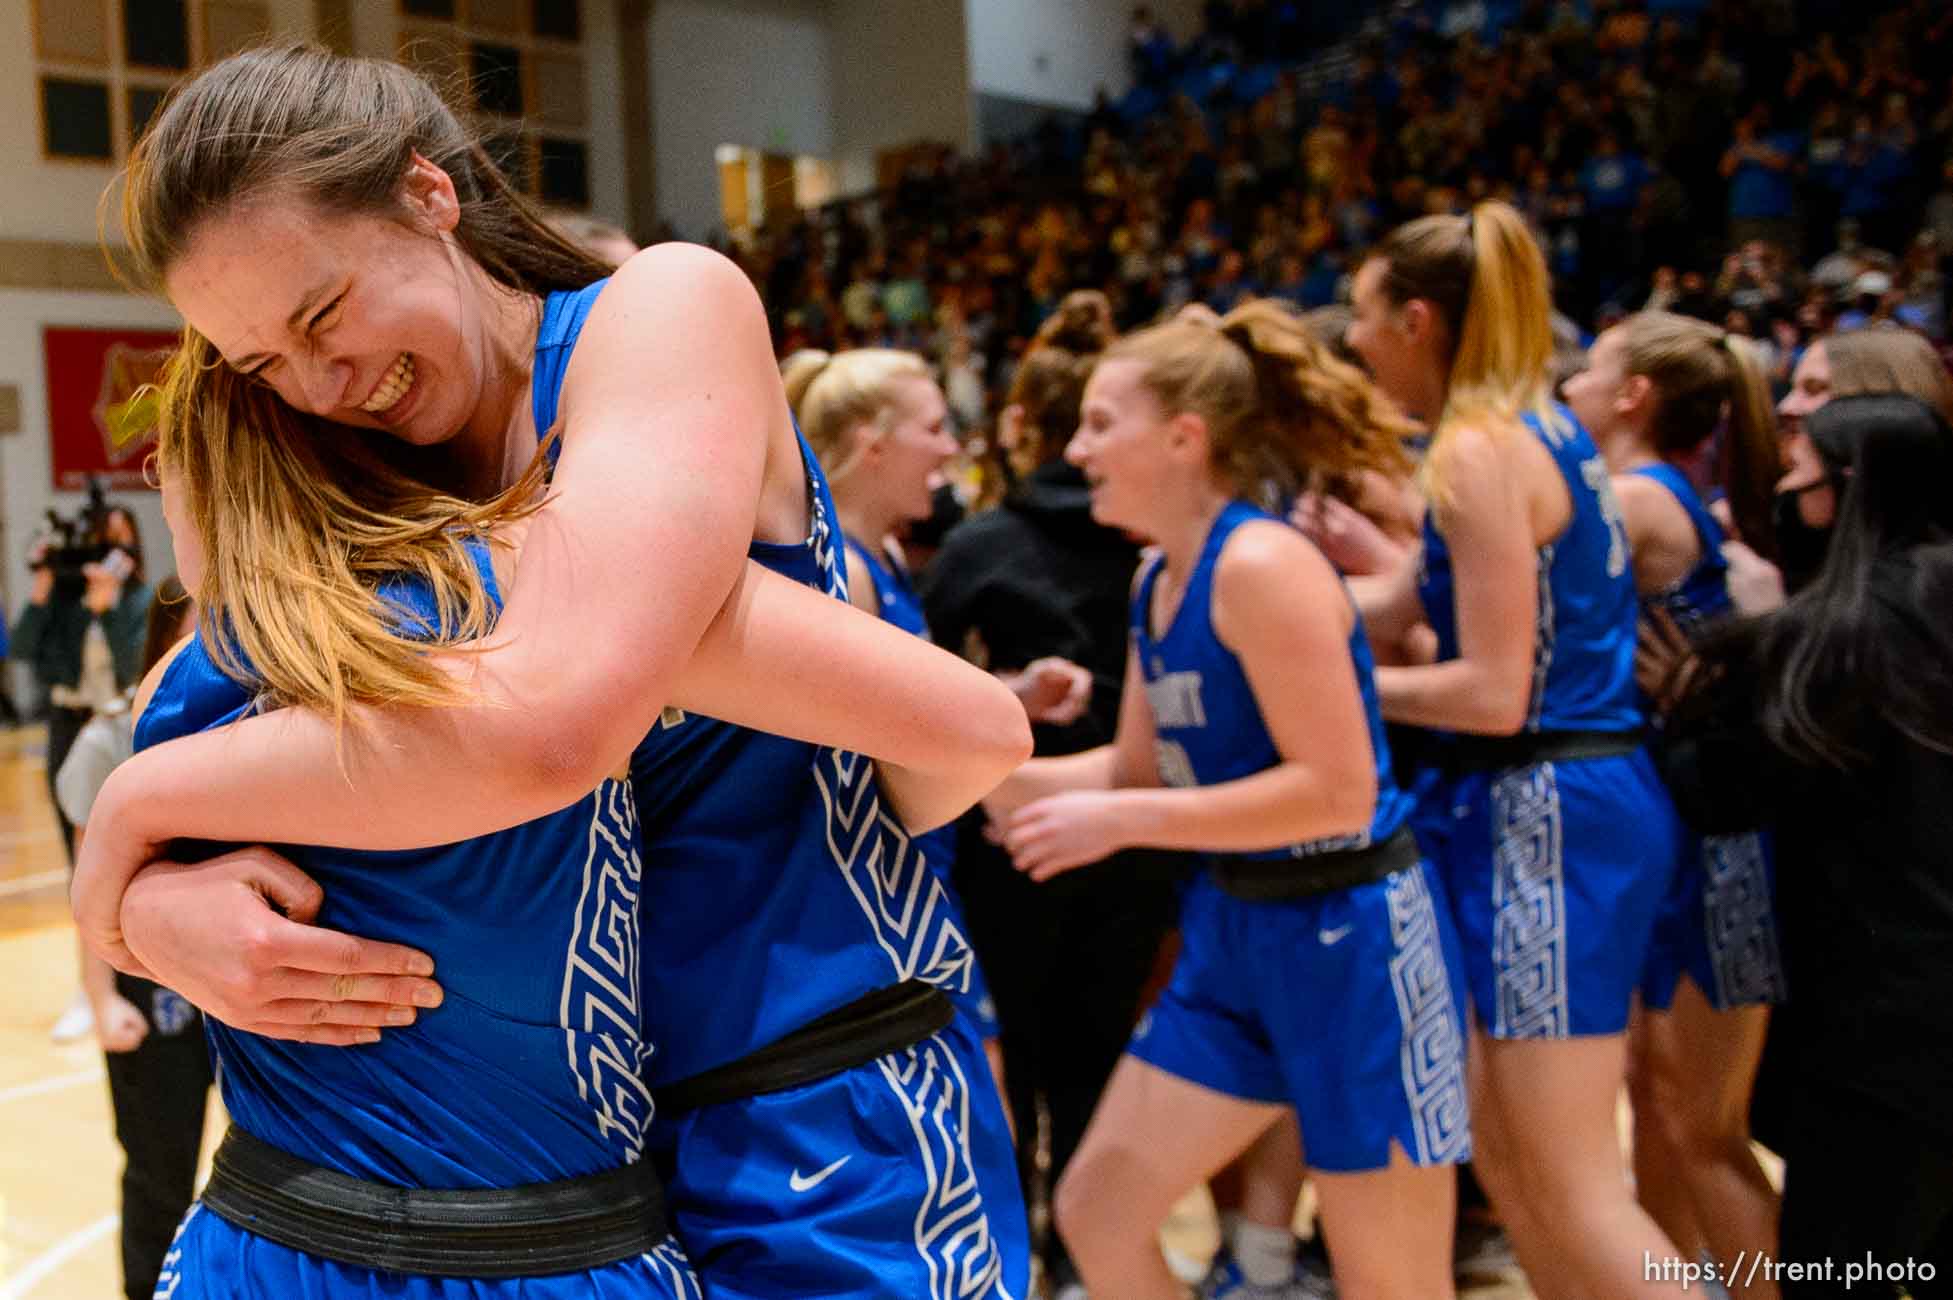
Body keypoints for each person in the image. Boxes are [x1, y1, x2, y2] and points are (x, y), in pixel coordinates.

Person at [72, 43, 1033, 1299]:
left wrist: (134, 822)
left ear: (429, 193)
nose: (320, 386)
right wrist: (148, 916)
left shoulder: (657, 312)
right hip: (556, 1179)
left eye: (323, 316)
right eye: (262, 367)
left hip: (812, 1114)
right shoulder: (347, 467)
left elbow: (556, 728)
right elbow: (220, 697)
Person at [987, 300, 1472, 1300]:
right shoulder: (1154, 576)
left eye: (1099, 422)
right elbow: (1136, 771)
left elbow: (1336, 794)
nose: (1075, 447)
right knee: (1097, 1210)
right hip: (1236, 930)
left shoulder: (1261, 565)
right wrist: (950, 776)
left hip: (1355, 936)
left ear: (1183, 434)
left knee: (1393, 1283)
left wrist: (1121, 823)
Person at [1343, 201, 1689, 1297]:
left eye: (1360, 318)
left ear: (1414, 320)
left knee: (1573, 1179)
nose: (1350, 344)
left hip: (1549, 809)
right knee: (1512, 1164)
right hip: (1537, 805)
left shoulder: (1479, 450)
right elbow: (1397, 597)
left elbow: (1492, 693)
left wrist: (1332, 694)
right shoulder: (1519, 427)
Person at [919, 296, 1186, 1298]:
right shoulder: (1156, 541)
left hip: (1018, 829)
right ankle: (1089, 1251)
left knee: (1018, 1053)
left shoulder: (985, 541)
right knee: (1103, 1046)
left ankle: (1036, 1243)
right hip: (1139, 828)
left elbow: (925, 684)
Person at [1659, 394, 1953, 1294]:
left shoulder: (1829, 634)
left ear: (1848, 483)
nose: (1785, 483)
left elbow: (1720, 794)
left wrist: (1709, 671)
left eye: (1798, 466)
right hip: (1921, 986)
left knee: (1839, 1261)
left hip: (1876, 1004)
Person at [1561, 311, 1787, 1295]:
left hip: (1721, 844)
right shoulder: (1652, 492)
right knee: (1658, 1102)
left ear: (1633, 395)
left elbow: (1504, 551)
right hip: (1674, 822)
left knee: (1703, 1129)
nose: (1568, 385)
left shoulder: (1640, 496)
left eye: (1590, 371)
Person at [54, 574, 214, 1300]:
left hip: (239, 988)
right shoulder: (109, 738)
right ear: (160, 642)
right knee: (159, 1172)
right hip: (151, 996)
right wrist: (100, 999)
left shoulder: (260, 721)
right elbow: (89, 892)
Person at [12, 501, 153, 1042]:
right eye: (103, 541)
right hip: (72, 729)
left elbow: (133, 668)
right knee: (78, 860)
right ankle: (90, 987)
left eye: (122, 541)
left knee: (120, 861)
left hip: (121, 732)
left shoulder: (143, 600)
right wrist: (46, 592)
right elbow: (25, 651)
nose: (112, 553)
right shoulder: (68, 602)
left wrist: (111, 609)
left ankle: (132, 975)